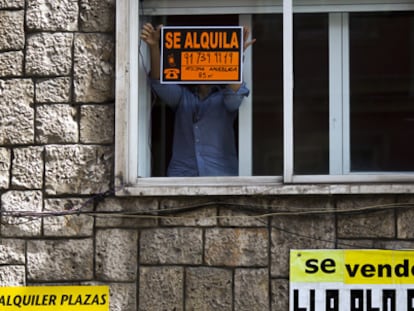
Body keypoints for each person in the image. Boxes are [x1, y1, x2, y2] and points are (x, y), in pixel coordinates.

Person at [141, 23, 256, 177]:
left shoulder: (223, 98)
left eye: (209, 60)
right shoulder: (183, 97)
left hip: (220, 176)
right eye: (201, 59)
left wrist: (233, 55)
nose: (204, 64)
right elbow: (158, 82)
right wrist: (154, 46)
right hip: (182, 176)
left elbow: (234, 97)